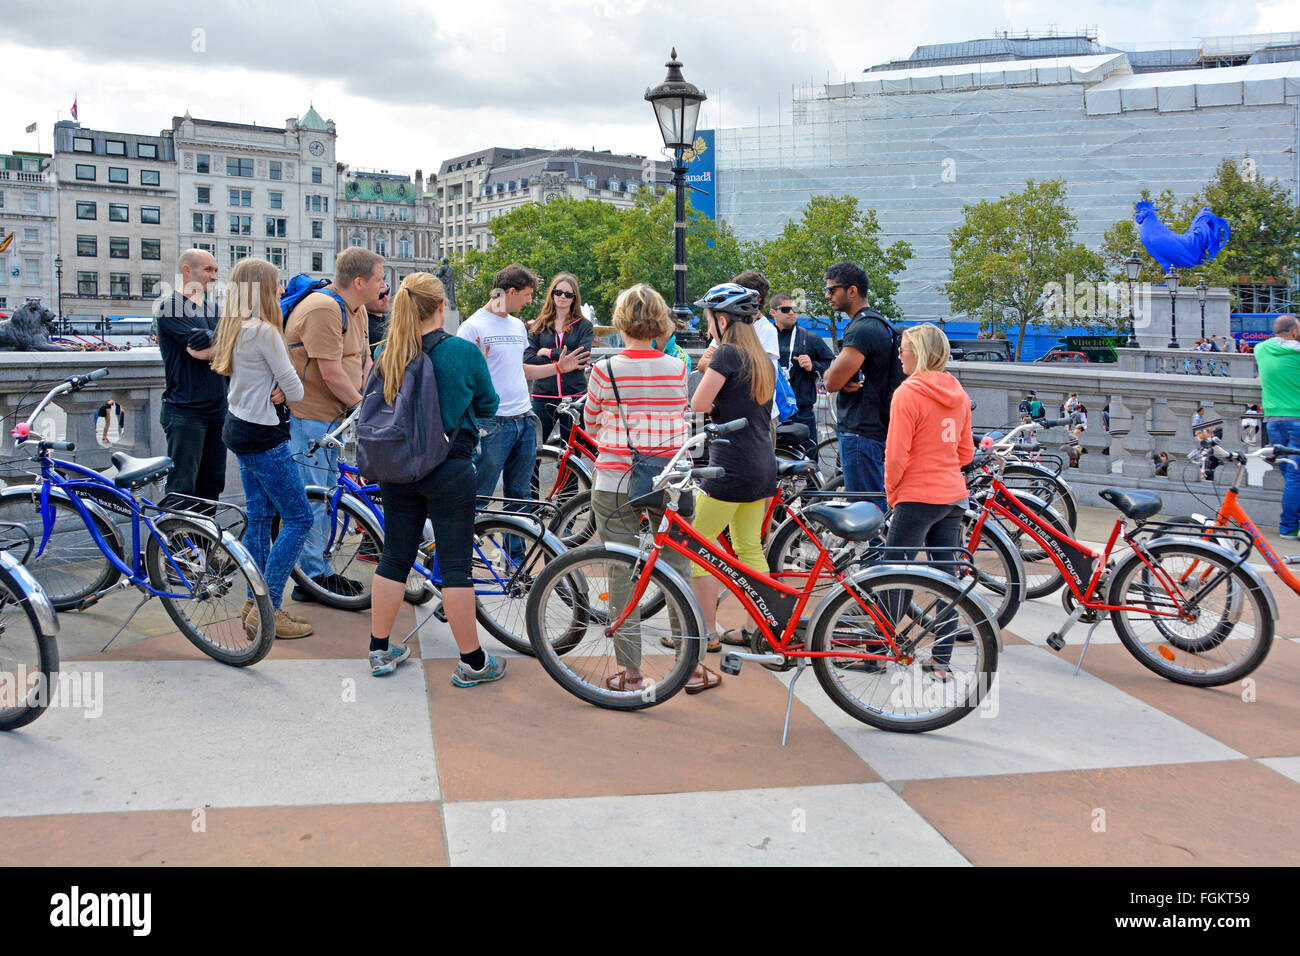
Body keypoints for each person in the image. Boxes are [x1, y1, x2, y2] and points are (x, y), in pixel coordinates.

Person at [365, 272, 507, 686]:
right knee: (457, 566)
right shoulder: (461, 351)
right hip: (449, 468)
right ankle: (473, 662)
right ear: (441, 306)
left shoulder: (388, 352)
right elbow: (489, 404)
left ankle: (379, 649)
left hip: (398, 468)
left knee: (394, 557)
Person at [583, 284, 701, 692]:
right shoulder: (677, 368)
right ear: (659, 321)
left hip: (617, 477)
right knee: (677, 565)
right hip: (671, 477)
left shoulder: (605, 369)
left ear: (620, 321)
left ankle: (632, 672)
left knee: (622, 569)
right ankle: (693, 665)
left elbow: (591, 424)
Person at [210, 257, 313, 640]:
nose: (282, 290)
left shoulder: (233, 327)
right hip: (264, 435)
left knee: (258, 517)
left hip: (238, 428)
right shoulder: (266, 331)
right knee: (299, 518)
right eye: (276, 284)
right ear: (261, 289)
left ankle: (254, 602)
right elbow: (298, 391)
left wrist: (281, 386)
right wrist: (286, 388)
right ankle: (269, 607)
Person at [456, 264, 588, 561]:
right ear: (510, 292)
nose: (530, 301)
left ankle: (514, 563)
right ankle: (457, 560)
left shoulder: (517, 326)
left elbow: (521, 369)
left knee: (521, 500)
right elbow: (461, 379)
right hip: (492, 423)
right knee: (480, 495)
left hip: (524, 420)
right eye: (526, 295)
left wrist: (558, 367)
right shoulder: (472, 327)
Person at [687, 282, 777, 691]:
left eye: (709, 319)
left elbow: (699, 405)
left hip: (730, 467)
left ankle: (707, 631)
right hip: (762, 464)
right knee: (748, 548)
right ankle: (764, 626)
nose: (707, 325)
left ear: (722, 320)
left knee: (696, 544)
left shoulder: (725, 353)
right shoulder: (761, 357)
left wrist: (705, 369)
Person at [284, 247, 384, 601]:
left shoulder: (356, 309)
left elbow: (364, 360)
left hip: (336, 420)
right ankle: (311, 579)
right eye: (379, 279)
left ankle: (318, 571)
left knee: (330, 498)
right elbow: (330, 371)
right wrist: (365, 407)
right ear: (359, 282)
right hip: (311, 419)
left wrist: (372, 399)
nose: (383, 286)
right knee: (314, 500)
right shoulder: (324, 308)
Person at [882, 323, 973, 679]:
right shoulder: (959, 393)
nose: (899, 355)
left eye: (904, 349)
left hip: (917, 494)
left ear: (918, 353)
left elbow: (896, 455)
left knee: (894, 573)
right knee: (945, 578)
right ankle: (941, 661)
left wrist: (893, 491)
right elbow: (965, 450)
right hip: (953, 495)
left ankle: (880, 647)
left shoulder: (908, 393)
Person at [153, 248, 227, 503]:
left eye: (216, 270)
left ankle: (203, 543)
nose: (215, 277)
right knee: (182, 489)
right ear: (187, 271)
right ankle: (174, 543)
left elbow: (231, 345)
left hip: (218, 410)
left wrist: (222, 342)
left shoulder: (214, 309)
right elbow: (203, 352)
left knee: (212, 485)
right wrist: (223, 343)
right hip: (186, 412)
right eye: (208, 270)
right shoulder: (171, 307)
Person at [822, 261, 903, 496]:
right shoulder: (880, 322)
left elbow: (831, 382)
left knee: (865, 511)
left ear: (852, 290)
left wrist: (834, 373)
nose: (827, 296)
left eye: (832, 289)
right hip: (877, 426)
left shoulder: (862, 329)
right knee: (875, 502)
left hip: (861, 432)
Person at [524, 271, 594, 478]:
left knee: (571, 456)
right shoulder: (538, 325)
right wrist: (563, 360)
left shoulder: (584, 326)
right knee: (533, 453)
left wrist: (547, 352)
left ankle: (569, 504)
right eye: (558, 292)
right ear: (552, 295)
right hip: (543, 396)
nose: (562, 297)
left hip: (574, 398)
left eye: (568, 294)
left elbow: (581, 359)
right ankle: (534, 503)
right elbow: (528, 359)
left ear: (575, 299)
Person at [699, 271, 781, 435]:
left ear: (756, 299)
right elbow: (702, 363)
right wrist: (731, 368)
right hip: (733, 417)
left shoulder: (766, 330)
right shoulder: (727, 330)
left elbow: (760, 373)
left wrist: (723, 367)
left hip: (757, 417)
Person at [1253, 315, 1300, 535]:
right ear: (1294, 333)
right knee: (1295, 477)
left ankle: (1292, 525)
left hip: (1273, 421)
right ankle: (1288, 527)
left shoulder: (1261, 349)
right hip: (1298, 420)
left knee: (1290, 475)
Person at [772, 292, 833, 458]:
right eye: (786, 309)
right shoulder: (765, 336)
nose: (792, 312)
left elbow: (831, 364)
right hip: (772, 409)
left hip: (801, 410)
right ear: (773, 312)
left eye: (794, 309)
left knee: (808, 459)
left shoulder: (809, 338)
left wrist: (813, 366)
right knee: (771, 458)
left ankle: (812, 485)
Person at [366, 282, 391, 351]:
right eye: (380, 296)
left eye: (387, 292)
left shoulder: (389, 318)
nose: (386, 298)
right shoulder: (367, 327)